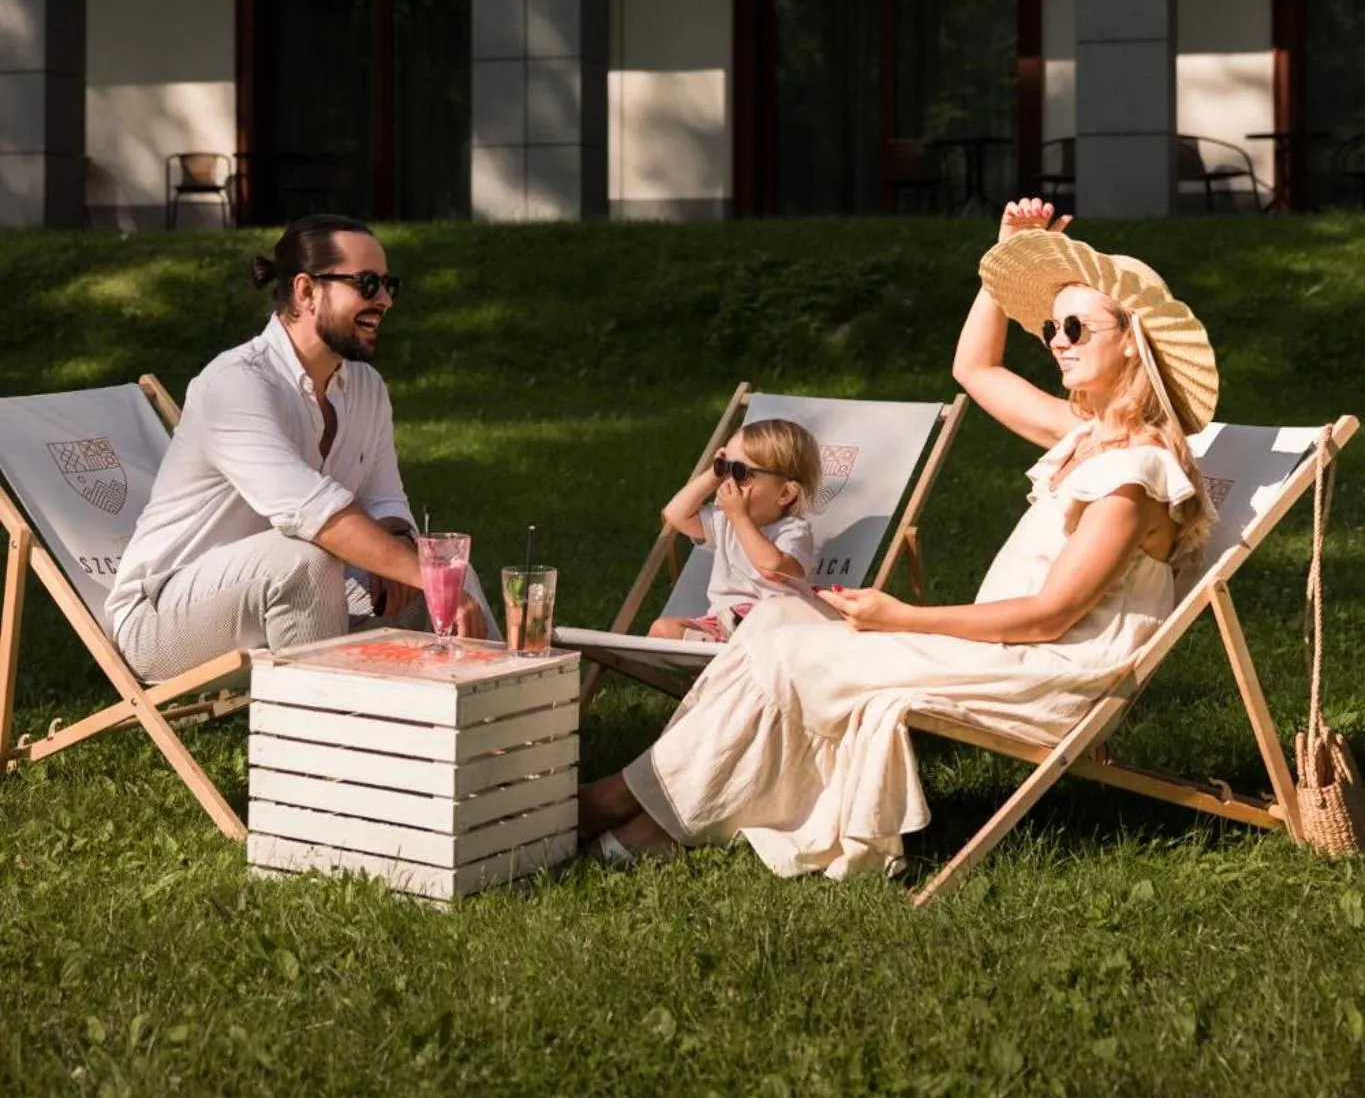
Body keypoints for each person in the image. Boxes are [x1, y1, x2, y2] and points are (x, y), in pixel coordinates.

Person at [578, 198, 1219, 877]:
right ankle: (647, 817)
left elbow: (1053, 615)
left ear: (1130, 339)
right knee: (773, 621)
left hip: (1041, 672)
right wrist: (998, 268)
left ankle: (622, 804)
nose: (1055, 340)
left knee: (795, 648)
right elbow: (974, 372)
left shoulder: (1134, 476)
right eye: (1048, 328)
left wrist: (905, 618)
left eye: (1074, 327)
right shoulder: (1086, 438)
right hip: (1002, 646)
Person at [109, 215, 495, 683]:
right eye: (367, 283)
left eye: (389, 283)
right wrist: (422, 574)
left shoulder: (365, 388)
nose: (386, 300)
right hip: (162, 618)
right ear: (306, 291)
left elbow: (385, 501)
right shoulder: (235, 384)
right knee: (309, 561)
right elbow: (314, 514)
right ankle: (332, 745)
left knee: (453, 573)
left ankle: (512, 734)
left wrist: (401, 546)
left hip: (292, 590)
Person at [648, 418, 823, 642]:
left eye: (741, 472)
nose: (729, 480)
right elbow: (675, 514)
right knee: (663, 630)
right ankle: (716, 666)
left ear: (785, 494)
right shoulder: (724, 520)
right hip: (725, 625)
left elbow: (773, 569)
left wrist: (740, 517)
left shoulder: (793, 531)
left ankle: (722, 666)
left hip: (774, 630)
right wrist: (712, 476)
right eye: (725, 468)